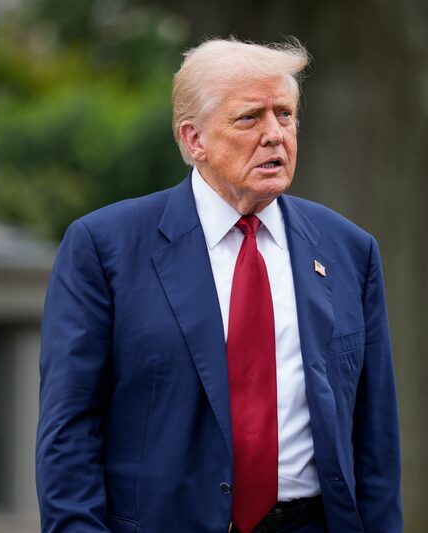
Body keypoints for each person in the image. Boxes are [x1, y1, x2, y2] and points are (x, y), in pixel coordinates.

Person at [35, 37, 402, 533]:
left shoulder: (348, 251)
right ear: (194, 140)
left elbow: (374, 438)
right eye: (250, 117)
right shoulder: (103, 249)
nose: (275, 134)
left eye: (286, 115)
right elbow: (69, 432)